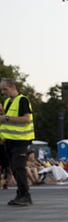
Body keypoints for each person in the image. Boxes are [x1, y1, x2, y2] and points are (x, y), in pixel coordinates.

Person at [0, 78, 36, 206]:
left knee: (19, 167)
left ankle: (25, 196)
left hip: (21, 140)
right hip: (10, 141)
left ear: (13, 87)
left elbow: (26, 119)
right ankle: (20, 195)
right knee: (15, 169)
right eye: (2, 90)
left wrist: (6, 118)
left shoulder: (22, 100)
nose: (3, 92)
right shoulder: (7, 102)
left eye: (5, 89)